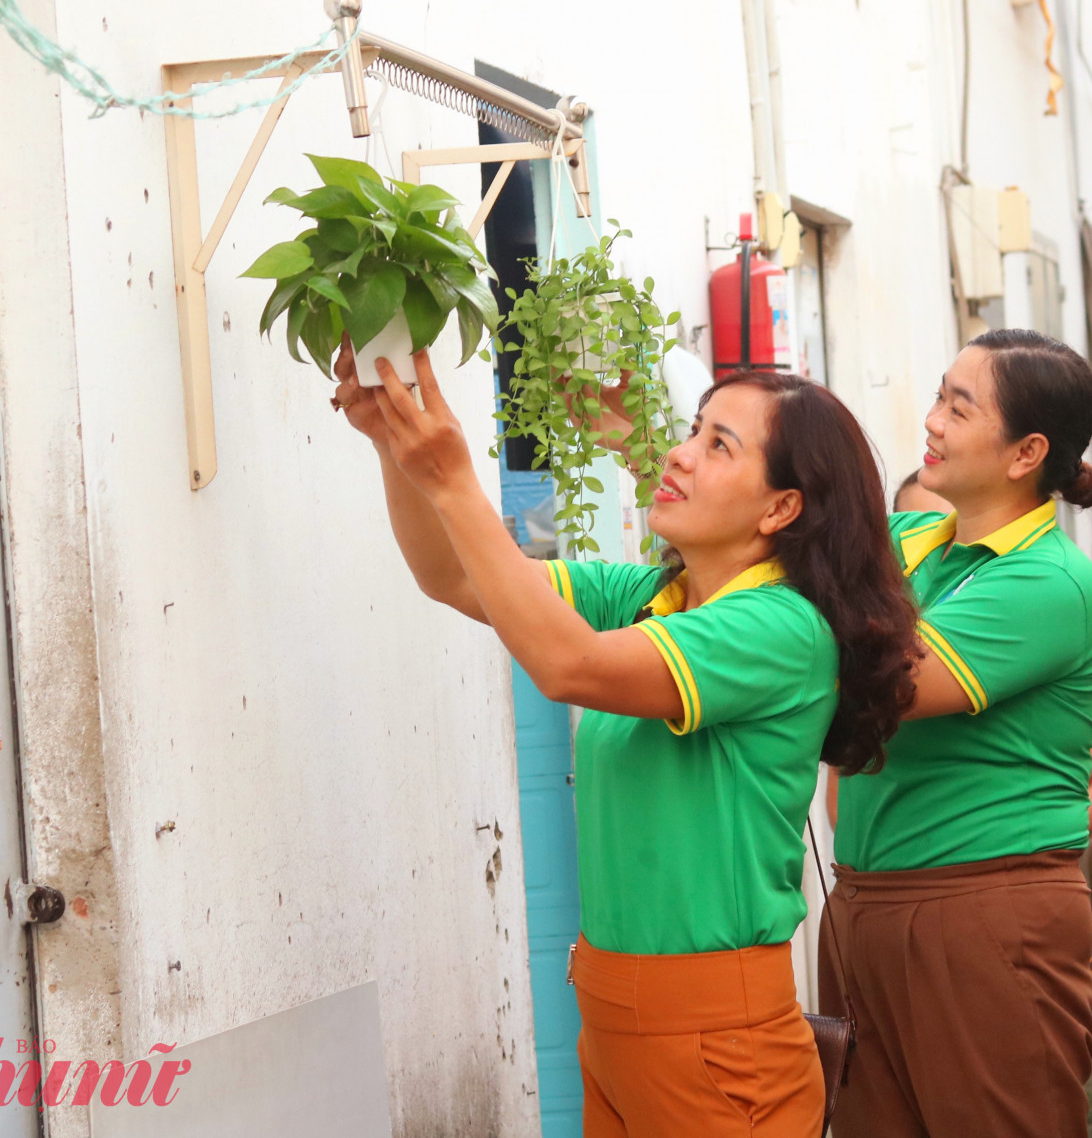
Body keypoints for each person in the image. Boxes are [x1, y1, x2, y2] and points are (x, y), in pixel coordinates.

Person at [334, 347, 917, 1138]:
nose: (677, 453)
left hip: (718, 1047)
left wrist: (454, 477)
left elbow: (568, 665)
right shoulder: (652, 598)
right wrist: (392, 448)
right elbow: (456, 577)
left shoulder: (780, 626)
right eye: (694, 430)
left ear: (780, 509)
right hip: (612, 1022)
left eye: (719, 445)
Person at [823, 328, 1092, 1138]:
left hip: (982, 911)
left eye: (959, 404)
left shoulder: (1048, 580)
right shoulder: (916, 540)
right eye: (939, 396)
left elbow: (884, 685)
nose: (932, 421)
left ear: (1026, 453)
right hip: (866, 904)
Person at [886, 466, 1092, 832]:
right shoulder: (905, 572)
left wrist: (1018, 856)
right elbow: (842, 790)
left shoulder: (1032, 590)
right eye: (921, 520)